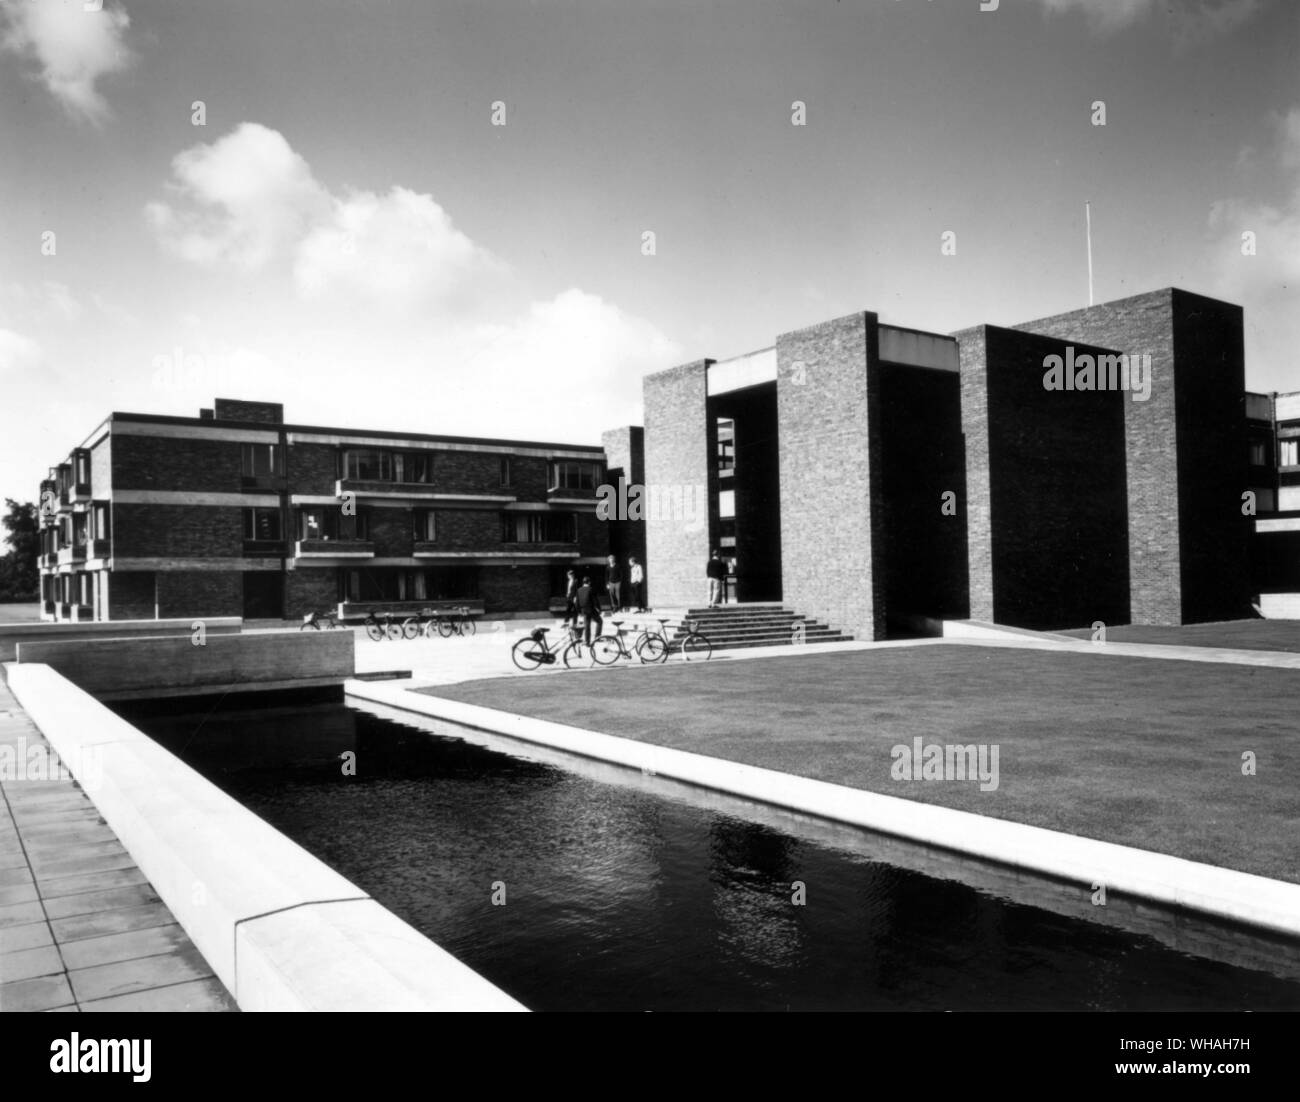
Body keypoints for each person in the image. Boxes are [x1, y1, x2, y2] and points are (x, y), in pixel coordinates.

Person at [574, 575, 603, 645]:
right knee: (599, 621)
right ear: (589, 582)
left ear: (583, 582)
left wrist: (579, 611)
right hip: (591, 610)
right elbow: (595, 601)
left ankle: (587, 641)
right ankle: (597, 637)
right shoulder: (591, 589)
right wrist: (599, 609)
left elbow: (577, 602)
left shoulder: (579, 590)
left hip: (583, 610)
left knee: (587, 625)